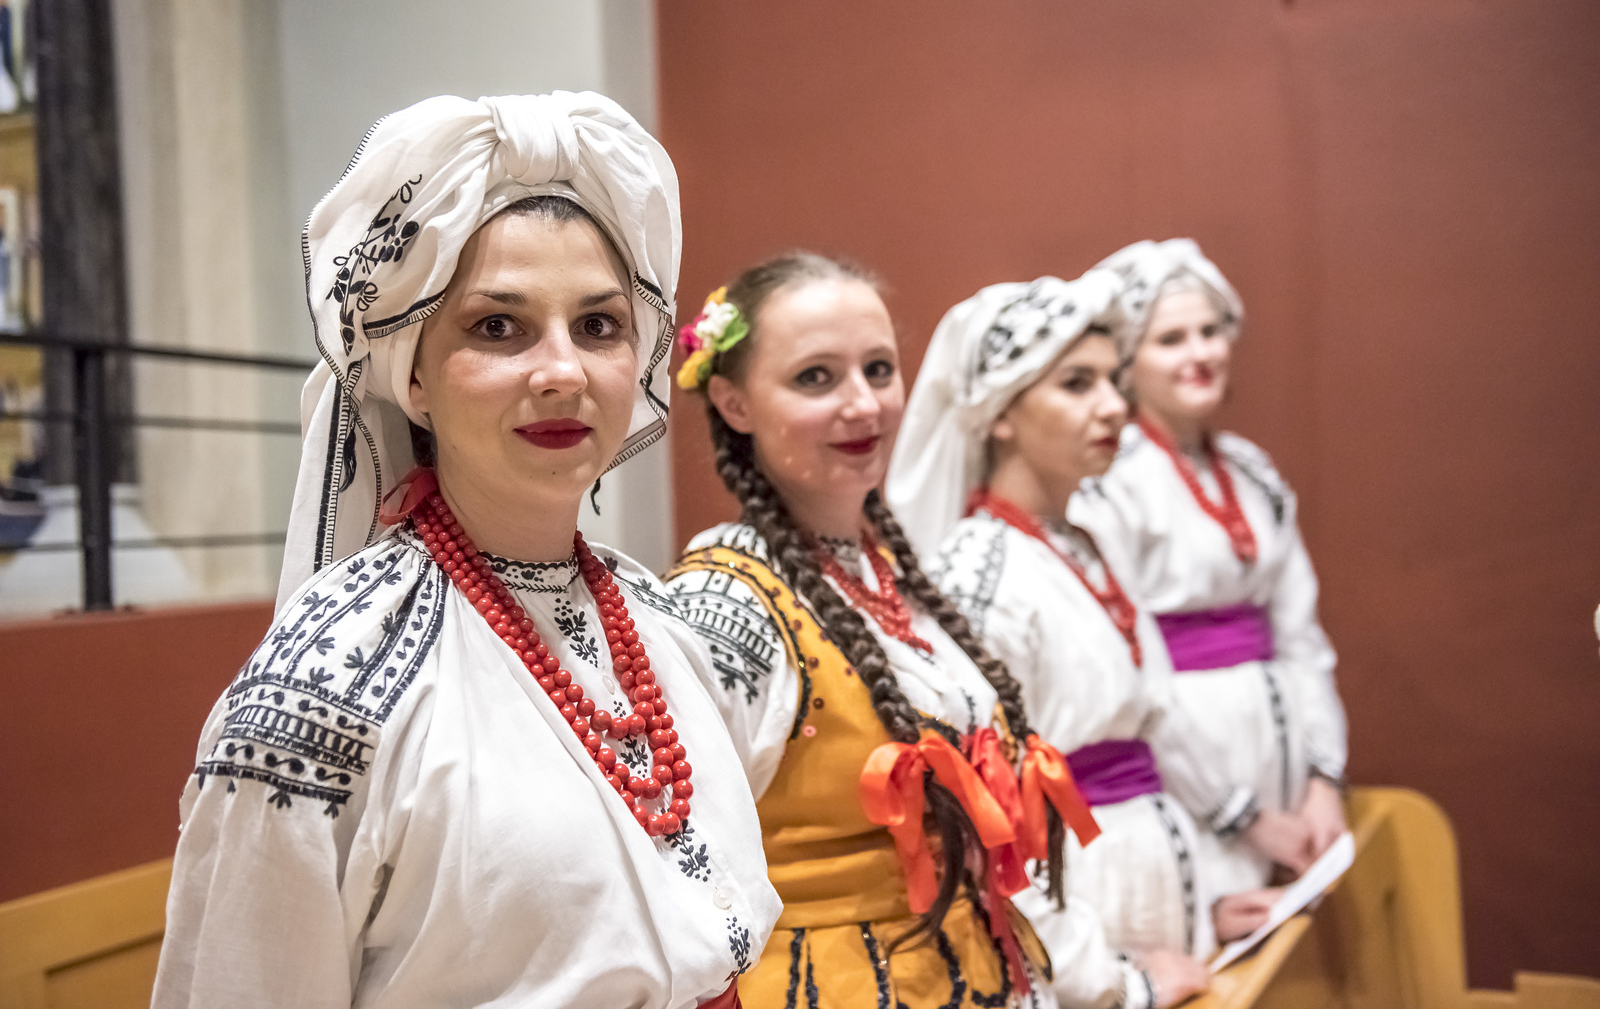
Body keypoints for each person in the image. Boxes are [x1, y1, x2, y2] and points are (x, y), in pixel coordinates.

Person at [152, 92, 780, 1008]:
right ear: (412, 374)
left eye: (598, 326)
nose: (562, 370)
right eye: (498, 327)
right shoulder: (333, 676)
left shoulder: (661, 624)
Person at [663, 254, 1093, 1009]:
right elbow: (676, 857)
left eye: (879, 370)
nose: (863, 403)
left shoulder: (891, 570)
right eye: (816, 378)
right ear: (734, 403)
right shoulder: (724, 601)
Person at [888, 275, 1291, 1008]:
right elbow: (990, 824)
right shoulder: (978, 573)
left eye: (1112, 380)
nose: (1113, 406)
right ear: (1001, 415)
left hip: (1142, 913)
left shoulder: (1085, 542)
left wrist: (1202, 905)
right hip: (1080, 946)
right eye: (1077, 384)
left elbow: (1138, 759)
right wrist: (1112, 983)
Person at [1073, 238, 1348, 899]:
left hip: (1288, 782)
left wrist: (1323, 778)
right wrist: (1241, 816)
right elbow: (1135, 676)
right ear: (1128, 361)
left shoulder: (1253, 471)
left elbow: (1301, 637)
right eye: (1171, 339)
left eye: (1209, 332)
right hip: (1185, 790)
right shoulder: (1109, 484)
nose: (1199, 353)